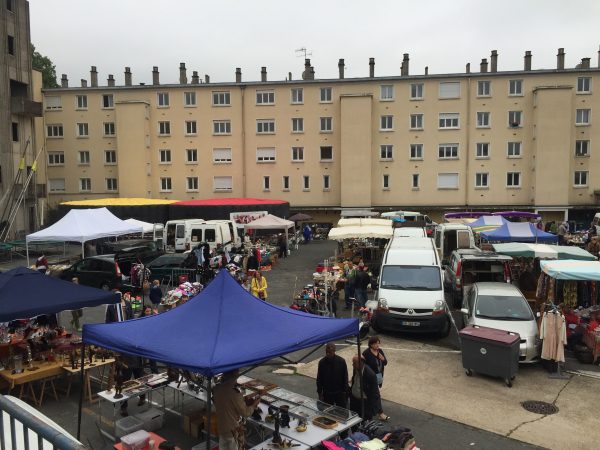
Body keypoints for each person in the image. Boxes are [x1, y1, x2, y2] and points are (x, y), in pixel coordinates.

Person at [213, 369, 261, 450]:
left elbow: (227, 404)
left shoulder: (216, 389)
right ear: (233, 377)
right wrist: (254, 405)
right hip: (232, 430)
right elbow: (245, 413)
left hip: (221, 427)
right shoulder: (234, 394)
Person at [362, 336, 389, 421]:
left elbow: (385, 363)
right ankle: (380, 413)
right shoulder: (366, 353)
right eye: (375, 343)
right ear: (371, 344)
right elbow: (362, 365)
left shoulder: (380, 351)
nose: (377, 345)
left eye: (378, 343)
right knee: (376, 394)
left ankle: (371, 409)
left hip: (378, 376)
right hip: (370, 378)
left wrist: (383, 359)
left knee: (373, 393)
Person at [316, 343, 348, 407]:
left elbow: (345, 376)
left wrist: (344, 391)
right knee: (328, 411)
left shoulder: (341, 361)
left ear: (334, 351)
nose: (328, 354)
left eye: (330, 352)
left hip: (339, 392)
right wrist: (320, 392)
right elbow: (319, 378)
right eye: (327, 352)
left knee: (342, 411)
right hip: (327, 392)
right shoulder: (322, 362)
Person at [349, 355, 380, 420]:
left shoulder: (370, 375)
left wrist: (371, 408)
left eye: (354, 363)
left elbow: (374, 393)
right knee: (353, 422)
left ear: (360, 363)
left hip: (364, 404)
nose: (352, 365)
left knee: (365, 423)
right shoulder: (355, 369)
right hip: (354, 401)